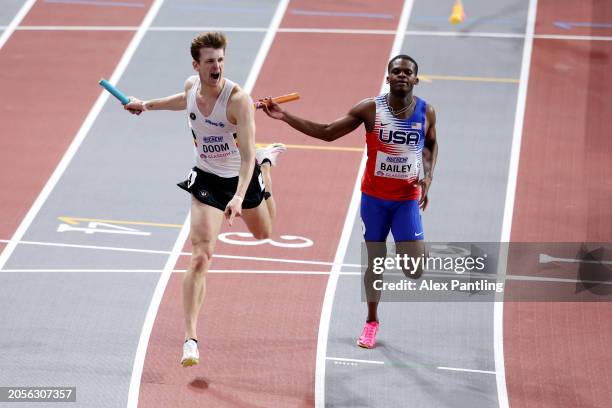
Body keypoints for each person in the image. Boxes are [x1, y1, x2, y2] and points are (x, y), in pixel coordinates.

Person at [124, 32, 286, 366]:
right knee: (200, 255)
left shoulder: (238, 99)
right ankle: (191, 340)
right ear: (197, 65)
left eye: (221, 60)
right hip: (207, 179)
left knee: (264, 233)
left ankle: (267, 167)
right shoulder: (191, 87)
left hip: (241, 176)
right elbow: (180, 100)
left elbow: (244, 158)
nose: (217, 66)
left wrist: (241, 196)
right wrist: (146, 105)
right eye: (210, 61)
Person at [263, 55, 437, 349]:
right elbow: (329, 132)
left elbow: (430, 145)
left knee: (414, 269)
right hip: (375, 199)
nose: (401, 76)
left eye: (407, 72)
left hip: (407, 198)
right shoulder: (370, 109)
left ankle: (409, 243)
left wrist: (428, 177)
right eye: (396, 71)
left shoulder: (426, 111)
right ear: (388, 77)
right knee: (375, 260)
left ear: (416, 80)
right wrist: (285, 117)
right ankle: (371, 322)